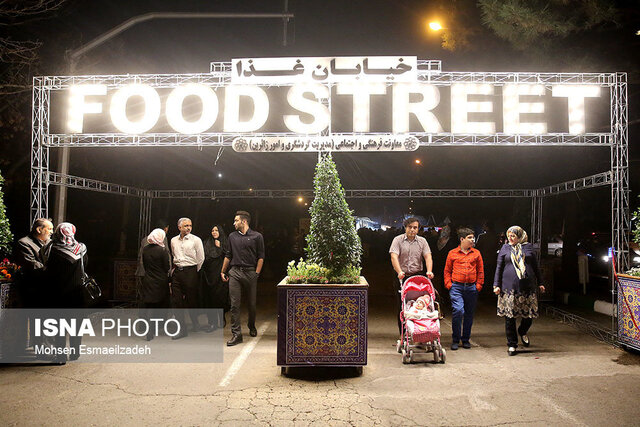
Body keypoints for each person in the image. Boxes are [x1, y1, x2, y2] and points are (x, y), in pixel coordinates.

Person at [493, 226, 545, 356]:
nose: (510, 238)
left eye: (513, 236)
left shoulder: (528, 247)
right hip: (509, 287)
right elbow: (499, 267)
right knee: (510, 317)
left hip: (527, 287)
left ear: (520, 236)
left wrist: (541, 283)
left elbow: (536, 267)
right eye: (509, 236)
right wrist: (496, 285)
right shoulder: (505, 248)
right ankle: (512, 344)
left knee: (529, 315)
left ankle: (522, 331)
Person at [44, 222, 88, 364]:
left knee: (59, 326)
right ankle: (75, 352)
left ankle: (61, 356)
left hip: (58, 292)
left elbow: (46, 268)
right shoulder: (81, 248)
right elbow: (85, 266)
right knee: (76, 324)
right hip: (77, 292)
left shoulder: (51, 248)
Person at [221, 210, 265, 346]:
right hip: (235, 272)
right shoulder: (232, 236)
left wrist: (256, 273)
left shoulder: (257, 236)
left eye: (236, 220)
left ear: (243, 221)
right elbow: (228, 255)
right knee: (234, 304)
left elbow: (261, 256)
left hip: (250, 272)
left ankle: (251, 325)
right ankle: (236, 334)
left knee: (251, 304)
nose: (234, 223)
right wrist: (223, 271)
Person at [13, 218, 53, 356]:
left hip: (46, 287)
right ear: (39, 229)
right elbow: (32, 265)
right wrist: (52, 270)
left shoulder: (50, 243)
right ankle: (40, 349)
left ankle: (46, 347)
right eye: (49, 229)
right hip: (32, 288)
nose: (51, 233)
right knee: (37, 318)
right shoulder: (24, 243)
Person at [389, 217, 434, 337]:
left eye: (415, 227)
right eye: (410, 227)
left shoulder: (422, 241)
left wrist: (429, 271)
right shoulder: (397, 240)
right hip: (401, 276)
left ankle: (419, 332)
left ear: (418, 229)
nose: (412, 230)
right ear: (405, 228)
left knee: (418, 304)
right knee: (402, 305)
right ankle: (403, 334)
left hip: (417, 276)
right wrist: (399, 271)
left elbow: (428, 256)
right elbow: (394, 256)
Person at [444, 227, 484, 350]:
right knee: (458, 311)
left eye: (473, 237)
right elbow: (447, 271)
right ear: (462, 239)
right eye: (470, 238)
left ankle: (465, 339)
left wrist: (478, 285)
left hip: (472, 287)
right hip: (456, 287)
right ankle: (455, 339)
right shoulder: (452, 253)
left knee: (469, 314)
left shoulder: (476, 253)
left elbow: (480, 271)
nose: (472, 240)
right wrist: (449, 284)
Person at [170, 217, 205, 339]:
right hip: (177, 272)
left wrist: (194, 271)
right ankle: (182, 329)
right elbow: (174, 254)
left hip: (191, 271)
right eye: (186, 226)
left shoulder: (196, 240)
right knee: (176, 301)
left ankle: (195, 322)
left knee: (191, 300)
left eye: (190, 225)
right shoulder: (173, 240)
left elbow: (201, 258)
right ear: (179, 227)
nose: (188, 227)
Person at [141, 228, 171, 341]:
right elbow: (166, 267)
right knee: (160, 306)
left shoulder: (145, 249)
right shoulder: (162, 250)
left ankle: (149, 332)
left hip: (148, 280)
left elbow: (144, 265)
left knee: (149, 306)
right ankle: (158, 328)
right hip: (160, 281)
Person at [201, 224, 230, 332]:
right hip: (209, 275)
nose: (214, 232)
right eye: (212, 230)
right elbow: (203, 257)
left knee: (220, 297)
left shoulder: (225, 242)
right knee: (210, 298)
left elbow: (228, 256)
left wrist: (220, 247)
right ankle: (212, 322)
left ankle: (221, 317)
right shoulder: (206, 243)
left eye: (216, 230)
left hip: (220, 274)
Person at [135, 220, 170, 305]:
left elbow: (140, 257)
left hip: (144, 273)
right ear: (165, 229)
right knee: (157, 299)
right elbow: (167, 259)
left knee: (144, 296)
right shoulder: (162, 241)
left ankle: (144, 316)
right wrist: (168, 273)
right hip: (158, 276)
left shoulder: (145, 240)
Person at [475, 221, 500, 294]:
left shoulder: (482, 236)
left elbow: (477, 248)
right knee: (491, 277)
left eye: (484, 225)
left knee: (483, 277)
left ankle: (483, 294)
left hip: (483, 260)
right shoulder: (496, 237)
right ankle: (490, 293)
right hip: (493, 260)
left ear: (487, 227)